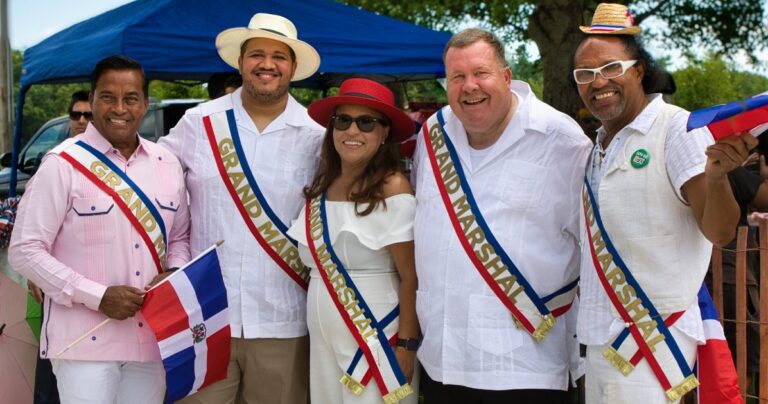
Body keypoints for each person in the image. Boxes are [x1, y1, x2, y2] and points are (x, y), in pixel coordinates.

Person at [571, 4, 757, 403]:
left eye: (610, 68)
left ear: (638, 70)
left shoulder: (677, 129)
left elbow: (720, 231)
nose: (597, 82)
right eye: (584, 75)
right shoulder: (599, 144)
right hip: (600, 339)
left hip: (652, 342)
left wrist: (718, 175)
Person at [411, 28, 592, 402]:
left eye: (481, 73)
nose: (469, 86)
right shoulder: (432, 134)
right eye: (457, 77)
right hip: (442, 360)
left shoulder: (562, 140)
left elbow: (594, 248)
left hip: (526, 365)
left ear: (507, 76)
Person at [159, 13, 324, 404]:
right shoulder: (198, 122)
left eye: (279, 57)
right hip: (206, 317)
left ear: (293, 67)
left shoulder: (316, 136)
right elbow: (149, 188)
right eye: (257, 55)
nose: (268, 65)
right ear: (240, 62)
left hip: (284, 317)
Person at [9, 55, 191, 404]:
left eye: (131, 98)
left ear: (145, 103)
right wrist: (97, 295)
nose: (119, 108)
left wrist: (174, 271)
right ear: (91, 100)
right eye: (108, 97)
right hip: (83, 343)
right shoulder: (62, 164)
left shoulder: (166, 163)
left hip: (151, 338)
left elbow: (180, 236)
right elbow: (25, 250)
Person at [285, 78, 419, 404]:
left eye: (366, 122)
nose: (352, 131)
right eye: (343, 121)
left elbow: (412, 276)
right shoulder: (321, 187)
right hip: (323, 343)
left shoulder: (394, 188)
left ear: (384, 132)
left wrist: (406, 345)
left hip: (376, 337)